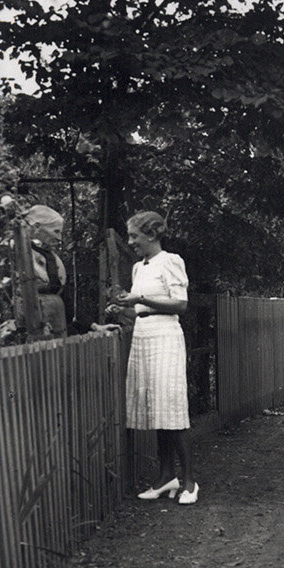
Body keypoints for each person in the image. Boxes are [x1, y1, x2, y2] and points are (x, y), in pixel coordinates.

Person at [114, 210, 198, 505]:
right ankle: (166, 477)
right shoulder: (139, 268)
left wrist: (139, 299)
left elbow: (180, 304)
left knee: (171, 407)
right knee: (156, 409)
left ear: (151, 235)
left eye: (134, 236)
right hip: (143, 335)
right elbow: (140, 309)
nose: (130, 242)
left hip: (165, 336)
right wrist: (124, 308)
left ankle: (189, 482)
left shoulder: (170, 261)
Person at [20, 204, 69, 339]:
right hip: (35, 323)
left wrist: (92, 325)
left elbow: (65, 294)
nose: (59, 238)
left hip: (58, 323)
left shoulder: (50, 255)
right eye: (56, 231)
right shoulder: (20, 253)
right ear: (37, 227)